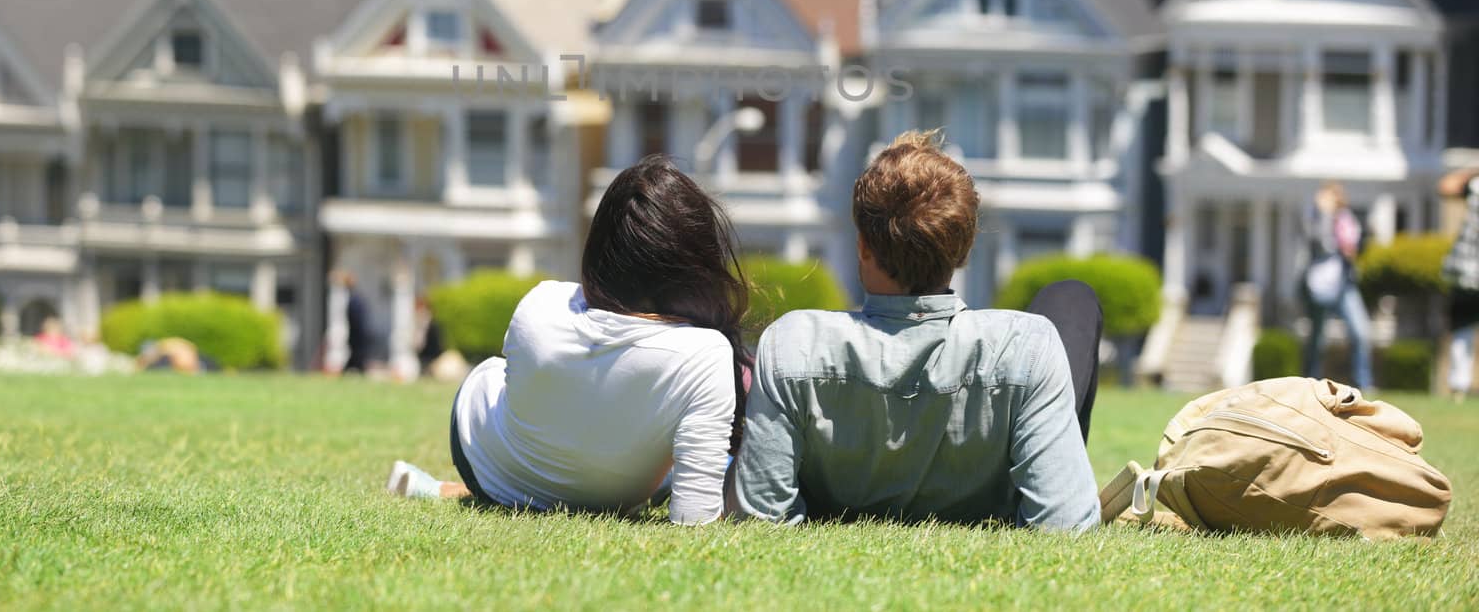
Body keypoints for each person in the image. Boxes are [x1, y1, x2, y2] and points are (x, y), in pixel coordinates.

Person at [728, 131, 1101, 530]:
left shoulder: (793, 342)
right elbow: (1066, 523)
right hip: (995, 489)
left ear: (863, 246)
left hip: (834, 492)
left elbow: (761, 513)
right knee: (1072, 299)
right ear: (965, 247)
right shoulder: (1027, 344)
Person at [385, 155, 751, 524]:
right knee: (703, 453)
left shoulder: (541, 301)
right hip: (617, 492)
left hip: (494, 469)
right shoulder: (706, 354)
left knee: (490, 376)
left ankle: (451, 489)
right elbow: (695, 518)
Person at [1300, 182, 1373, 391]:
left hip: (1343, 283)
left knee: (1360, 332)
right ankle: (1310, 382)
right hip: (1319, 285)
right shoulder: (1313, 218)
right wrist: (1324, 215)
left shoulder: (1347, 220)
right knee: (1317, 339)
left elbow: (1356, 247)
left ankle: (1363, 382)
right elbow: (1321, 245)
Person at [1442, 175, 1479, 402]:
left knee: (1462, 330)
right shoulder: (1475, 185)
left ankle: (1459, 388)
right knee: (1462, 329)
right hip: (1467, 272)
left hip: (1465, 271)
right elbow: (1446, 186)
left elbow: (1447, 185)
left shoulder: (1475, 185)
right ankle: (1458, 387)